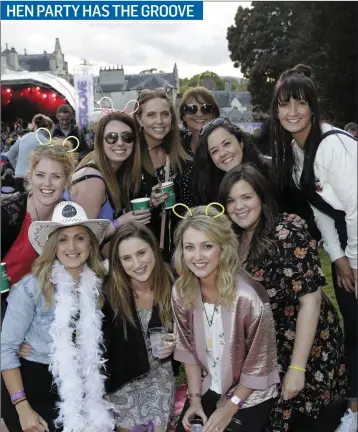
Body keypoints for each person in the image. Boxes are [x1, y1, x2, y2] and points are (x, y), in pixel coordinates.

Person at [219, 164, 347, 431]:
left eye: (246, 197)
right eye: (231, 200)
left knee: (303, 417)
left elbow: (310, 301)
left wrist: (297, 368)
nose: (239, 206)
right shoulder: (233, 240)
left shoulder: (286, 231)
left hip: (308, 344)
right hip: (270, 347)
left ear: (261, 197)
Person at [269, 64, 357, 431]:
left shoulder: (333, 143)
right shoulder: (294, 150)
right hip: (347, 241)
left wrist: (354, 259)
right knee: (354, 325)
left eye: (300, 103)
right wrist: (339, 260)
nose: (292, 112)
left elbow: (355, 208)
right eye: (284, 104)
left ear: (313, 107)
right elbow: (320, 212)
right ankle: (354, 409)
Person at [1, 201, 113, 432]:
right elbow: (5, 349)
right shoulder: (31, 288)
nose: (72, 246)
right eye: (63, 239)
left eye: (80, 237)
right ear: (54, 246)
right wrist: (22, 407)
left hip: (86, 394)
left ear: (91, 245)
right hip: (33, 396)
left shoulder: (103, 287)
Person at [172, 204, 279, 432]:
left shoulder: (249, 297)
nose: (197, 257)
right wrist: (195, 400)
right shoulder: (181, 291)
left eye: (207, 246)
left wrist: (229, 409)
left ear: (223, 248)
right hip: (210, 385)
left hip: (250, 394)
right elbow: (188, 350)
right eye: (189, 247)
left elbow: (259, 364)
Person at [102, 222, 176, 431]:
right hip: (122, 383)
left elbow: (193, 329)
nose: (137, 263)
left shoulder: (174, 283)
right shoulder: (108, 292)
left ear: (153, 248)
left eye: (141, 253)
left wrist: (174, 342)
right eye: (127, 258)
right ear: (118, 262)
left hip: (160, 378)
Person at [67, 111, 149, 243]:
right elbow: (82, 238)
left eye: (127, 137)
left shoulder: (115, 172)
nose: (120, 143)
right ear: (100, 141)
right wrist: (120, 222)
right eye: (111, 137)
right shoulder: (92, 179)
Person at [1, 143, 77, 284]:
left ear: (67, 182)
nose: (47, 183)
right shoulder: (6, 213)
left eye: (56, 177)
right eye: (40, 175)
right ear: (30, 177)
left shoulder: (68, 214)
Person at [134, 88, 193, 261]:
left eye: (165, 114)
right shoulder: (128, 156)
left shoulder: (180, 154)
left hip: (179, 253)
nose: (159, 121)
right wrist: (150, 202)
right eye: (151, 115)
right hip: (141, 254)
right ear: (139, 119)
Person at [192, 118, 267, 205]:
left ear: (241, 143)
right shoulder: (208, 192)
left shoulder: (270, 174)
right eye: (214, 151)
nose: (222, 153)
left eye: (227, 144)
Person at [6, 114, 54, 192]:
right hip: (32, 179)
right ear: (48, 128)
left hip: (18, 178)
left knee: (24, 203)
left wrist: (18, 168)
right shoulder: (46, 141)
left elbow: (10, 155)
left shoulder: (23, 137)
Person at [179, 86, 220, 156]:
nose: (199, 114)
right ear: (183, 116)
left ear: (214, 114)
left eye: (206, 108)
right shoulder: (177, 145)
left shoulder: (224, 143)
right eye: (191, 109)